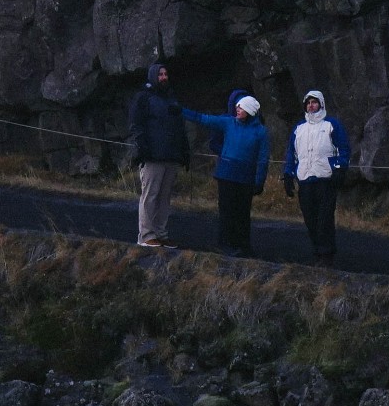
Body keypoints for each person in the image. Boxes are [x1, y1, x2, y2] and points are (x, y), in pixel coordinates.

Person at [182, 93, 270, 258]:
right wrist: (181, 111)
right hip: (227, 176)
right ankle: (225, 244)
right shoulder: (229, 122)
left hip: (245, 177)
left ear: (250, 110)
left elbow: (263, 158)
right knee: (227, 211)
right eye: (237, 106)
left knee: (242, 213)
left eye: (241, 107)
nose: (237, 109)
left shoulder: (260, 132)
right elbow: (203, 119)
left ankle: (243, 245)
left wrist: (259, 180)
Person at [283, 89, 350, 265]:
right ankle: (317, 251)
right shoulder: (299, 128)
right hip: (305, 179)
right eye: (308, 103)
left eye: (314, 102)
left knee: (324, 219)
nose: (311, 106)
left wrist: (339, 169)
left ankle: (326, 254)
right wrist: (288, 174)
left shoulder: (331, 124)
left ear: (321, 104)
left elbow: (343, 149)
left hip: (325, 179)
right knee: (310, 218)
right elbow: (292, 153)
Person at [128, 61, 189, 248]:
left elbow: (179, 127)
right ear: (153, 76)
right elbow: (136, 124)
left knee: (164, 197)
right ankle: (146, 235)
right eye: (160, 74)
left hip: (170, 155)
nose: (163, 77)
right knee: (150, 195)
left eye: (165, 74)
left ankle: (161, 233)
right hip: (152, 155)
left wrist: (184, 151)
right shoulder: (143, 98)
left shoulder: (171, 99)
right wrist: (142, 148)